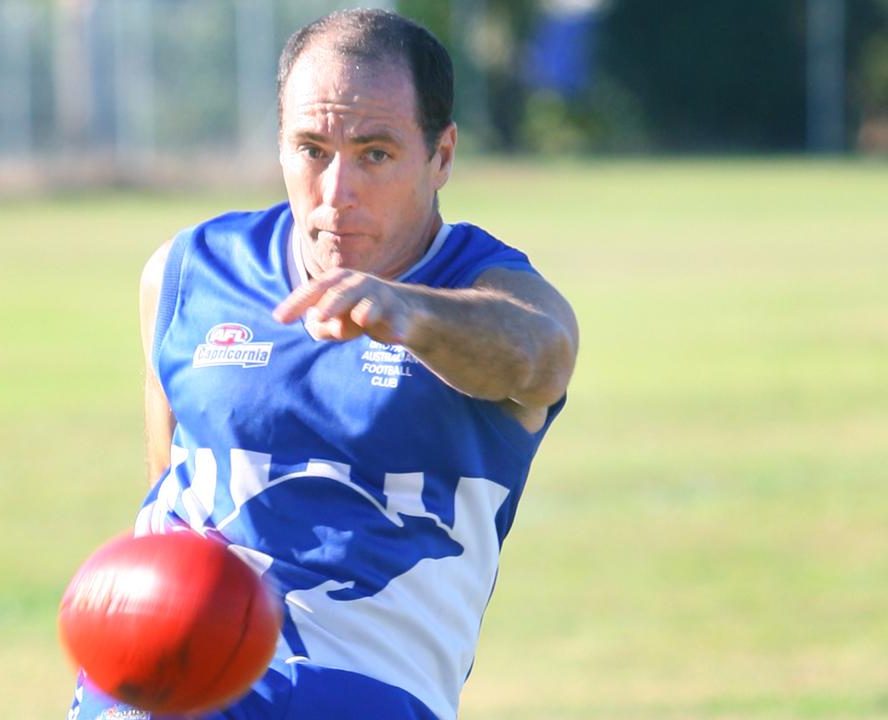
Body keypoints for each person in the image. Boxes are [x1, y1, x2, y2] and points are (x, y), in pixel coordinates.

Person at [69, 8, 578, 720]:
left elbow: (541, 353)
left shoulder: (485, 289)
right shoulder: (188, 272)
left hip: (363, 698)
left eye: (375, 153)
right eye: (311, 149)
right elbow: (173, 477)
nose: (337, 192)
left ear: (443, 155)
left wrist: (413, 315)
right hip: (165, 688)